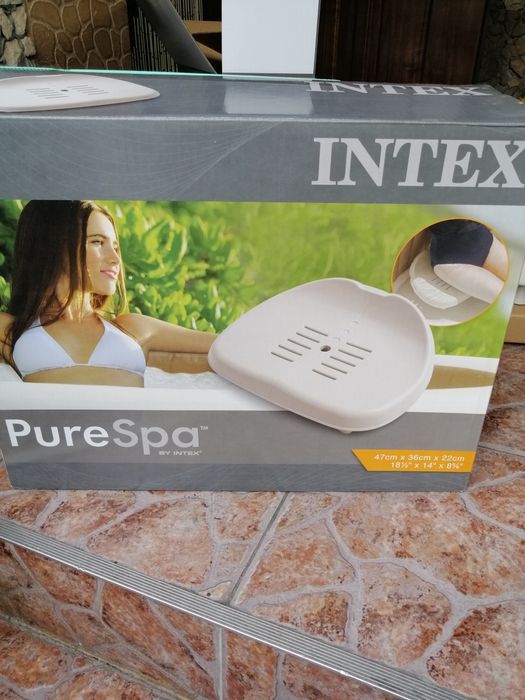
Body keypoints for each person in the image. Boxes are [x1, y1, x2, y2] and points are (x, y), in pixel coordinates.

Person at [0, 200, 215, 387]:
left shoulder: (134, 330)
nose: (115, 258)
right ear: (53, 246)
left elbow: (227, 348)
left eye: (115, 246)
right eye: (97, 242)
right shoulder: (11, 329)